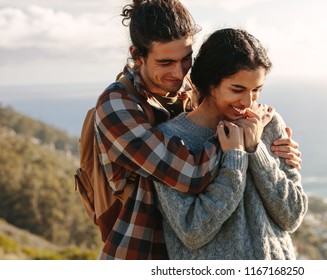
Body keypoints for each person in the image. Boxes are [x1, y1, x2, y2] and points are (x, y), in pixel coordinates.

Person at [94, 0, 302, 259]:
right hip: (141, 249)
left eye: (186, 60)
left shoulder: (185, 95)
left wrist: (261, 149)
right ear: (138, 55)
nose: (179, 72)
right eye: (166, 62)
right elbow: (189, 175)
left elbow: (292, 215)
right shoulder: (117, 104)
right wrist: (243, 143)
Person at [154, 28, 308, 259]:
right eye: (237, 89)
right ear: (210, 84)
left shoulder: (268, 123)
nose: (248, 101)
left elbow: (292, 216)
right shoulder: (171, 138)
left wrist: (257, 150)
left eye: (256, 90)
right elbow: (193, 231)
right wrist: (235, 159)